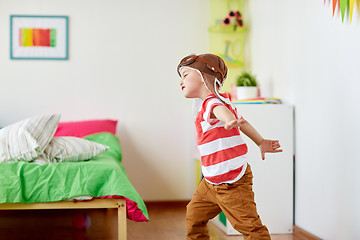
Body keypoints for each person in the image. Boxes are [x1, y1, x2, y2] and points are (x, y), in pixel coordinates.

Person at [177, 53, 283, 240]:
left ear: (203, 77)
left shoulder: (212, 102)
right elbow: (243, 123)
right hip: (210, 182)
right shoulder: (219, 101)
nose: (181, 81)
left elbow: (219, 111)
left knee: (250, 226)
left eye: (185, 75)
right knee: (194, 216)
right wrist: (261, 141)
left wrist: (227, 119)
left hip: (231, 183)